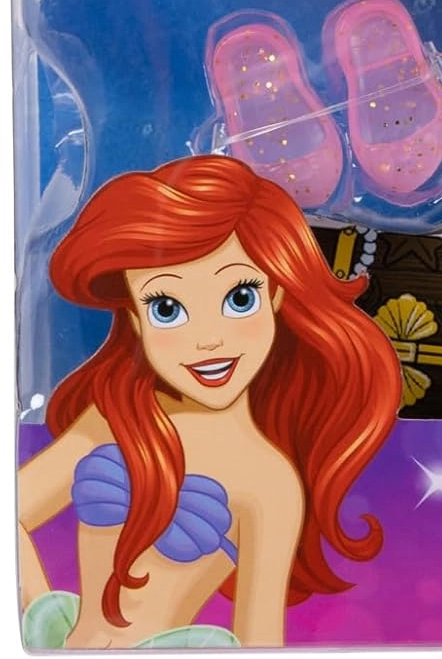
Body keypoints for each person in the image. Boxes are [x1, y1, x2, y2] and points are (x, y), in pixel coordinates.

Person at [18, 154, 401, 646]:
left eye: (240, 298)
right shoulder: (115, 418)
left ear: (277, 294)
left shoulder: (269, 481)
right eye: (167, 308)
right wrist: (40, 612)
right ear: (135, 318)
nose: (208, 340)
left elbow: (261, 638)